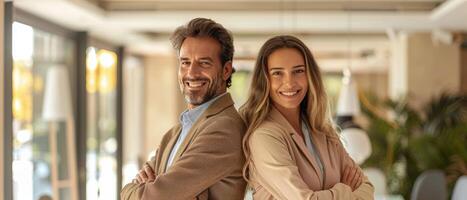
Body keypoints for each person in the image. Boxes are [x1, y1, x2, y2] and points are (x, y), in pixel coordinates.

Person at [120, 18, 246, 200]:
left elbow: (153, 197)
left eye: (204, 63)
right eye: (185, 62)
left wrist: (136, 189)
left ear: (226, 70)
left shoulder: (224, 128)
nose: (192, 73)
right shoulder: (174, 134)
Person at [240, 35, 374, 199]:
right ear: (264, 80)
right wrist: (345, 188)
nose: (289, 83)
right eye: (277, 73)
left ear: (310, 76)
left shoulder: (324, 132)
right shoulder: (264, 136)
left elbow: (367, 188)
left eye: (298, 71)